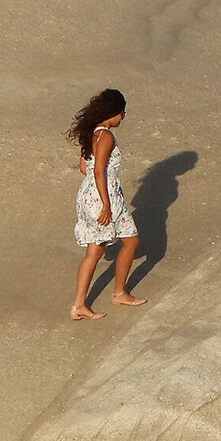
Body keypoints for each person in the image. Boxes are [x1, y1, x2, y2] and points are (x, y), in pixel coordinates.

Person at [68, 89, 145, 319]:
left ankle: (82, 305)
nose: (123, 117)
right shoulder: (107, 136)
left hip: (88, 195)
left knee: (100, 248)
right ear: (112, 113)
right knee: (121, 243)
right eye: (121, 112)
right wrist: (105, 204)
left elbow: (85, 168)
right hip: (104, 198)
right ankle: (116, 293)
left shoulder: (91, 133)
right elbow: (99, 170)